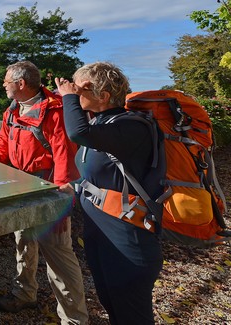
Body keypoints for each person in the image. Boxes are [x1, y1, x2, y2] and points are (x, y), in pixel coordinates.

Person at [0, 61, 88, 324]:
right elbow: (4, 146)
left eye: (6, 81)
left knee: (57, 253)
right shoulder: (12, 111)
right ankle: (24, 293)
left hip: (50, 189)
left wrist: (62, 199)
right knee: (24, 241)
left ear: (20, 83)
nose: (3, 85)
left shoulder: (54, 111)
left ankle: (74, 319)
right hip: (22, 187)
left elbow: (64, 152)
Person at [55, 62, 162, 325]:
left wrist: (68, 97)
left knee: (132, 317)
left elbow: (77, 132)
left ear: (103, 96)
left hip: (128, 241)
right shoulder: (103, 126)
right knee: (113, 308)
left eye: (80, 88)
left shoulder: (130, 127)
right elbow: (104, 174)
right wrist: (77, 186)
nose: (72, 91)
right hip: (102, 237)